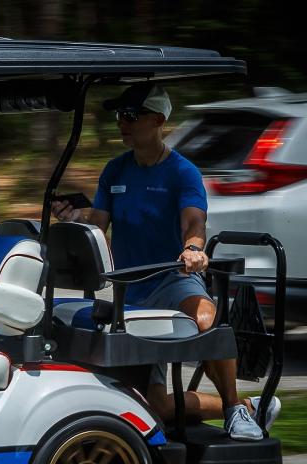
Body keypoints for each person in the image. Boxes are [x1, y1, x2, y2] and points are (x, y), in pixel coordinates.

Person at [53, 83, 280, 441]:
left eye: (131, 115)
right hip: (130, 291)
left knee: (207, 318)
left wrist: (193, 248)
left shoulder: (182, 172)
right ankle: (249, 408)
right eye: (119, 116)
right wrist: (73, 220)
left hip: (173, 280)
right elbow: (97, 226)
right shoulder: (114, 171)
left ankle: (235, 410)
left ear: (159, 119)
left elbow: (194, 221)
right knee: (154, 406)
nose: (122, 123)